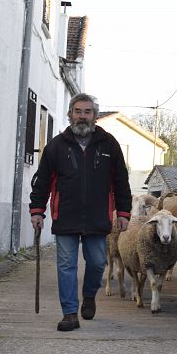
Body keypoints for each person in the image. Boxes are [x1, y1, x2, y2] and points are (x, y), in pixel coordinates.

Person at [29, 93, 132, 331]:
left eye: (87, 112)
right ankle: (69, 313)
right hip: (65, 215)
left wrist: (123, 212)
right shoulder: (56, 146)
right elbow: (42, 181)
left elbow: (121, 182)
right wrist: (37, 210)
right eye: (78, 111)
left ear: (95, 116)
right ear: (70, 114)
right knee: (66, 266)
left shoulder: (109, 145)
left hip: (98, 217)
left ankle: (89, 295)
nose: (82, 116)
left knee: (97, 263)